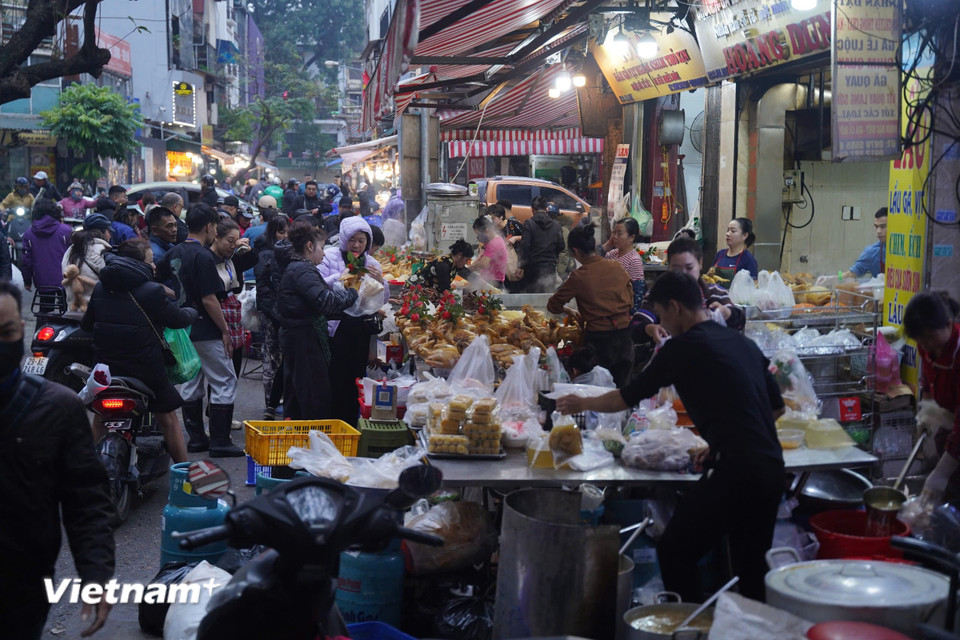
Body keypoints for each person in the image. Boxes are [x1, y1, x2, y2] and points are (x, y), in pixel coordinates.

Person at [557, 271, 786, 603]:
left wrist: (582, 403)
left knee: (676, 551)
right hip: (771, 468)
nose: (662, 323)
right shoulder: (741, 343)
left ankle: (687, 621)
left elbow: (626, 397)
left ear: (675, 307)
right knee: (751, 570)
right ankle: (744, 623)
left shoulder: (682, 348)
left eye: (661, 314)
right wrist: (721, 444)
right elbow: (776, 408)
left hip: (737, 471)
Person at [0, 280, 116, 639]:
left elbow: (87, 499)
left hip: (22, 586)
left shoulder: (58, 408)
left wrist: (96, 574)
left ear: (22, 330)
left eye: (6, 332)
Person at [81, 240, 197, 464]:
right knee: (168, 419)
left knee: (101, 417)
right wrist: (192, 311)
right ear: (139, 263)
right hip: (145, 369)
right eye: (150, 261)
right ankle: (184, 472)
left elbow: (87, 325)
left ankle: (86, 467)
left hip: (106, 367)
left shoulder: (101, 287)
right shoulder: (152, 290)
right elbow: (177, 319)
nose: (153, 266)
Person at [159, 203, 243, 457]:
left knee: (191, 382)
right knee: (224, 381)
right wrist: (225, 330)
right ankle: (220, 442)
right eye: (215, 227)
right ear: (209, 227)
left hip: (183, 329)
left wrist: (177, 298)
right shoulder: (204, 256)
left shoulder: (174, 251)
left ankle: (196, 439)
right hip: (206, 328)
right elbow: (209, 299)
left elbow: (155, 279)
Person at [276, 222, 358, 420]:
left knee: (299, 394)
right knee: (312, 395)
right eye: (321, 247)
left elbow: (314, 305)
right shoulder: (302, 270)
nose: (324, 253)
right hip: (303, 340)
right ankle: (311, 436)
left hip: (300, 337)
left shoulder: (300, 268)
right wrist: (353, 294)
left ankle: (299, 434)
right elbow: (325, 302)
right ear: (309, 246)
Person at [319, 216, 388, 425]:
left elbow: (381, 300)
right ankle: (330, 424)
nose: (357, 245)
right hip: (335, 328)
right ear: (343, 239)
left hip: (360, 330)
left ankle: (349, 424)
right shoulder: (329, 256)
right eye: (352, 239)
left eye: (362, 240)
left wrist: (380, 281)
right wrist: (342, 276)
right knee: (333, 379)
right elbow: (318, 286)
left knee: (355, 378)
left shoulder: (371, 263)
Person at [547, 223, 634, 386]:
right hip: (625, 337)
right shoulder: (617, 266)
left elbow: (553, 305)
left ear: (575, 251)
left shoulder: (579, 276)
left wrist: (569, 310)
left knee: (598, 389)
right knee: (623, 389)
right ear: (594, 245)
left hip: (599, 340)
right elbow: (631, 298)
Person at [636, 236, 746, 346]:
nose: (684, 274)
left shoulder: (714, 292)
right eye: (676, 269)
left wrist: (726, 313)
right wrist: (648, 329)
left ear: (700, 263)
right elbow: (635, 326)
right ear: (669, 266)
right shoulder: (659, 294)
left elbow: (739, 322)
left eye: (689, 268)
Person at [903, 292, 960, 506]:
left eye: (929, 337)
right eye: (919, 339)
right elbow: (928, 376)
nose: (924, 345)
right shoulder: (927, 345)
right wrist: (927, 409)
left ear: (949, 324)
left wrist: (941, 473)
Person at [211, 218, 258, 379]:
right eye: (230, 241)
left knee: (234, 368)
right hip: (217, 315)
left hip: (233, 313)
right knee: (220, 373)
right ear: (216, 236)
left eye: (235, 241)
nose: (233, 245)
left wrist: (245, 248)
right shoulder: (207, 259)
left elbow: (253, 259)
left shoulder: (232, 258)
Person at [254, 215, 289, 419]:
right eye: (281, 231)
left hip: (282, 315)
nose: (284, 236)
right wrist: (275, 315)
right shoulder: (266, 255)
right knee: (271, 358)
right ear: (272, 233)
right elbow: (264, 290)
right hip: (270, 316)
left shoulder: (285, 253)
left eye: (287, 231)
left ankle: (279, 400)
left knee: (282, 359)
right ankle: (270, 403)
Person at [61, 215, 113, 311]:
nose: (110, 235)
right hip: (96, 312)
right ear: (102, 232)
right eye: (109, 231)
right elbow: (110, 280)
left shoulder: (70, 250)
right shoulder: (101, 251)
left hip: (72, 310)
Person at [21, 198, 73, 292]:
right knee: (65, 301)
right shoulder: (66, 230)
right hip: (65, 279)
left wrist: (27, 281)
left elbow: (26, 261)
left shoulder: (29, 234)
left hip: (41, 281)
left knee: (45, 301)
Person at [519, 195, 564, 293]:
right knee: (547, 297)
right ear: (546, 209)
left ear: (532, 209)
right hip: (550, 268)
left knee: (531, 298)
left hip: (532, 269)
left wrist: (521, 266)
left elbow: (525, 247)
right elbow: (561, 246)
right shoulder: (556, 225)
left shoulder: (529, 223)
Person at [602, 217, 646, 313]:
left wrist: (631, 316)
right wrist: (609, 244)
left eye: (619, 234)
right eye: (614, 233)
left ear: (632, 237)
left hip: (621, 312)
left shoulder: (634, 260)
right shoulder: (612, 254)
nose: (615, 237)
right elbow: (593, 260)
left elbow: (637, 293)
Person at [405, 239, 474, 296]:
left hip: (424, 293)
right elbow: (445, 289)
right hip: (411, 293)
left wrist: (476, 282)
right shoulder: (443, 265)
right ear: (459, 255)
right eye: (466, 260)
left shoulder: (454, 264)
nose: (466, 263)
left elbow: (467, 273)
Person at [843, 207, 888, 280]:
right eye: (876, 227)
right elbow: (853, 272)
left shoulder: (907, 250)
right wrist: (836, 277)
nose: (878, 231)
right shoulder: (873, 252)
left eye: (883, 227)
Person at [472, 215, 507, 289]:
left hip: (493, 284)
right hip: (491, 281)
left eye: (478, 234)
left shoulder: (493, 244)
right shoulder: (494, 240)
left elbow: (483, 264)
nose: (478, 237)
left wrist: (466, 270)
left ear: (486, 230)